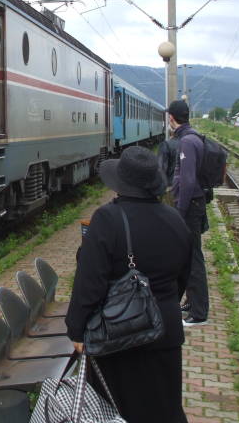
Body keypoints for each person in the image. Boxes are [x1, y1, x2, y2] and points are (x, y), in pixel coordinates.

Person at [66, 146, 192, 422]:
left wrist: (76, 329)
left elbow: (90, 282)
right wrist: (161, 305)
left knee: (116, 409)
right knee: (164, 408)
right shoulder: (176, 220)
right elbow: (183, 276)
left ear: (120, 184)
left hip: (118, 333)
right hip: (165, 332)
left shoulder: (107, 219)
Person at [168, 99, 210, 326]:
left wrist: (180, 211)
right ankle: (191, 301)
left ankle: (199, 313)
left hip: (190, 206)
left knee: (193, 259)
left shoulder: (187, 142)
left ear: (172, 118)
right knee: (188, 258)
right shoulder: (193, 138)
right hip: (194, 204)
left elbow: (187, 179)